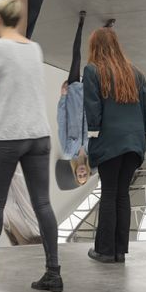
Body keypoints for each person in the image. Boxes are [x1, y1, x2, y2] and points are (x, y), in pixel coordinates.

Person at [0, 0, 62, 292]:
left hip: (9, 135)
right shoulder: (33, 49)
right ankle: (53, 272)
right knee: (43, 204)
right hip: (39, 136)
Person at [83, 27, 146, 264]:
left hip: (109, 142)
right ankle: (120, 251)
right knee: (122, 194)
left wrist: (93, 135)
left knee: (109, 193)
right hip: (135, 143)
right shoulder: (135, 73)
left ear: (95, 47)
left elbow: (93, 107)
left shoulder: (93, 71)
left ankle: (104, 251)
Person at [56, 11, 90, 189]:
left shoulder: (68, 151)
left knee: (76, 57)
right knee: (93, 65)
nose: (82, 173)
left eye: (80, 175)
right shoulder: (89, 151)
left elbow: (62, 122)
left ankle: (81, 24)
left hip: (73, 98)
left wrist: (63, 96)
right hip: (87, 100)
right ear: (87, 171)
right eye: (85, 175)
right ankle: (104, 32)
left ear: (76, 171)